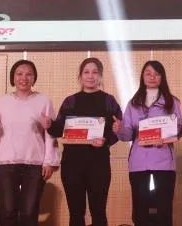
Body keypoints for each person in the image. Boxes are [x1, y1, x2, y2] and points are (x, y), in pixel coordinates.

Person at [0, 59, 59, 226]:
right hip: (5, 164)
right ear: (13, 77)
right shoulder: (1, 102)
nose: (23, 78)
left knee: (29, 212)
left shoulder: (44, 101)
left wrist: (49, 162)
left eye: (28, 74)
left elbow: (51, 134)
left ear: (34, 78)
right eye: (19, 74)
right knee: (7, 211)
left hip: (34, 163)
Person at [43, 57, 122, 226]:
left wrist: (108, 138)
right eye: (86, 72)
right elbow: (58, 130)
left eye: (95, 72)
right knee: (76, 213)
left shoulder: (109, 101)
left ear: (100, 76)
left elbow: (117, 131)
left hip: (99, 164)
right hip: (72, 164)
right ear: (80, 76)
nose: (90, 76)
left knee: (98, 212)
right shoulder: (70, 101)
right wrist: (49, 125)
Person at [113, 60, 182, 226]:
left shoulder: (172, 101)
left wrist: (165, 139)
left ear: (162, 77)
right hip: (138, 163)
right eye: (148, 73)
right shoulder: (133, 103)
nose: (152, 77)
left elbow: (178, 129)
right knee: (140, 210)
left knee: (164, 210)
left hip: (164, 162)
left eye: (156, 74)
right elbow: (127, 135)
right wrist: (119, 129)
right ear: (142, 77)